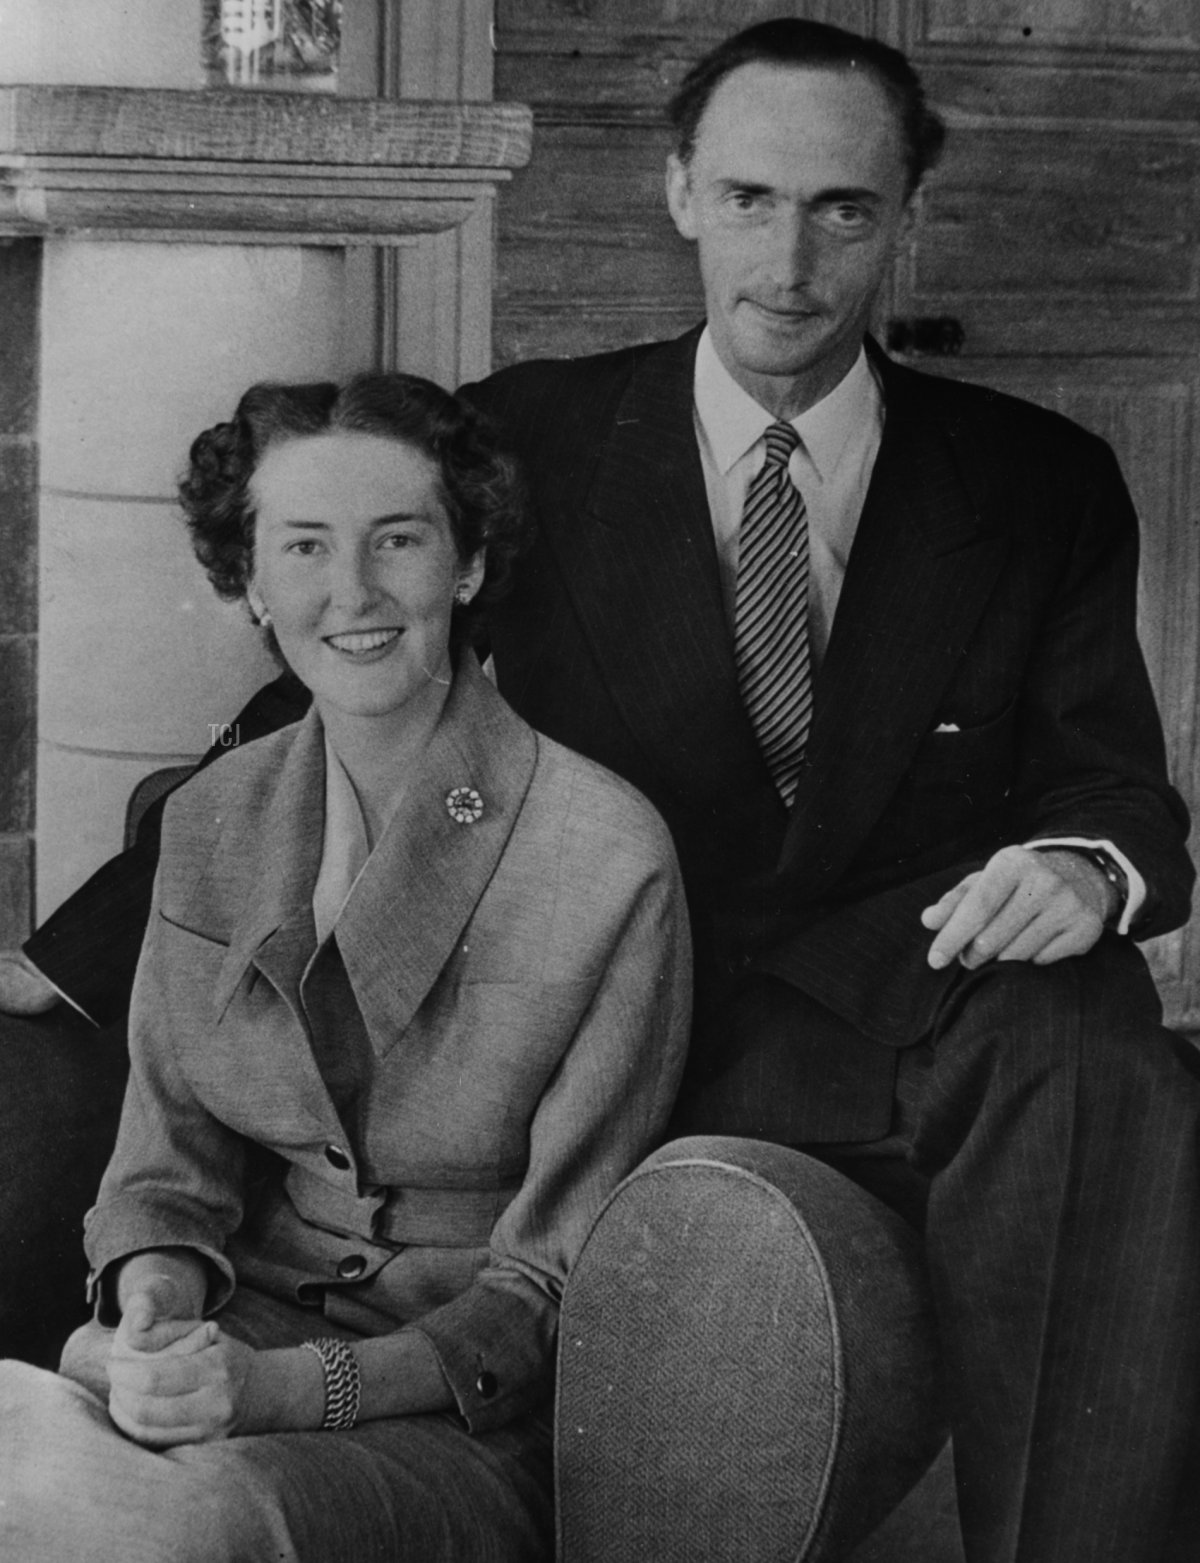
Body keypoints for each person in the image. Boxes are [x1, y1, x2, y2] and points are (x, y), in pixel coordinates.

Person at [3, 16, 1199, 1562]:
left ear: (905, 214)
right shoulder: (541, 434)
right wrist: (64, 956)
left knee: (1096, 1037)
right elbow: (323, 687)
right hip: (587, 1002)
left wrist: (1089, 866)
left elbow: (1120, 782)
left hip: (880, 1012)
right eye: (753, 199)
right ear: (681, 192)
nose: (792, 258)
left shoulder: (1036, 481)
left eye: (845, 209)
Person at [0, 371, 691, 1562]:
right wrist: (152, 1307)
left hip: (460, 1418)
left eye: (400, 540)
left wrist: (281, 1396)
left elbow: (546, 1294)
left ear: (467, 565)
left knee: (150, 1530)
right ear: (249, 584)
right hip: (226, 1355)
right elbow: (166, 1171)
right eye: (305, 547)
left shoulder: (607, 854)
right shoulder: (213, 817)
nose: (354, 594)